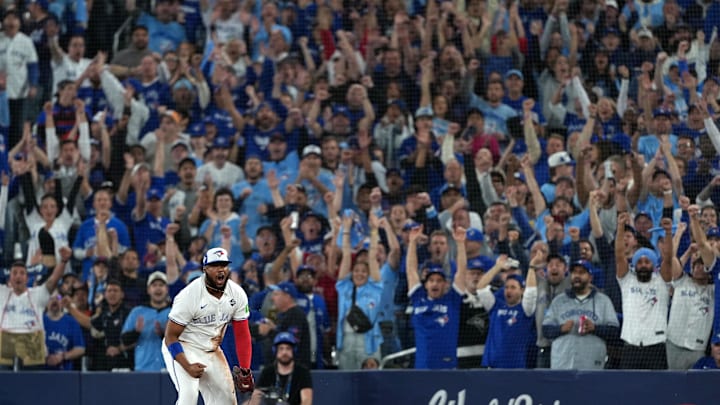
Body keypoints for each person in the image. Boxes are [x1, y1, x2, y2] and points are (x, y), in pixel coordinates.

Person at [162, 247, 254, 405]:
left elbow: (242, 334)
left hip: (211, 350)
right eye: (215, 265)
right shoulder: (189, 295)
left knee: (227, 401)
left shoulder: (237, 294)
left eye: (224, 265)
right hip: (184, 346)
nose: (220, 270)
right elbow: (171, 337)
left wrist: (245, 369)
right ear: (205, 269)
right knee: (188, 397)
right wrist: (187, 366)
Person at [614, 213, 672, 369]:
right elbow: (619, 255)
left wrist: (667, 233)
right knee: (627, 391)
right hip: (630, 346)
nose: (643, 264)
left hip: (656, 346)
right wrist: (620, 227)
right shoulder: (626, 280)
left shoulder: (661, 281)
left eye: (647, 261)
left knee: (656, 391)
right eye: (639, 261)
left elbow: (668, 258)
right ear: (634, 264)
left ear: (653, 265)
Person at [407, 225, 468, 369]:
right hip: (422, 366)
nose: (435, 284)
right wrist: (412, 242)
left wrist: (460, 243)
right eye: (431, 280)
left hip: (447, 366)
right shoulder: (418, 297)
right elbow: (411, 270)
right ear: (426, 284)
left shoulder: (452, 300)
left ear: (445, 284)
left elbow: (462, 271)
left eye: (439, 281)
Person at [542, 260, 620, 369]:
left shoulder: (603, 301)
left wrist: (595, 328)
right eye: (574, 273)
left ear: (590, 277)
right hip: (562, 364)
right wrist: (561, 329)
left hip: (591, 365)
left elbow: (614, 332)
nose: (577, 276)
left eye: (582, 272)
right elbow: (545, 330)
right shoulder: (558, 300)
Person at [0, 249, 68, 369]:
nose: (18, 276)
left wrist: (63, 261)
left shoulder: (37, 294)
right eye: (14, 273)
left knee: (32, 386)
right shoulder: (2, 293)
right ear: (9, 278)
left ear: (27, 278)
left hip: (33, 352)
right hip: (5, 353)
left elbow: (53, 281)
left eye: (22, 273)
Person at [474, 255, 538, 368]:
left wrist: (532, 267)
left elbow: (531, 291)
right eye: (506, 287)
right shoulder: (495, 306)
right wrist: (497, 267)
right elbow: (481, 288)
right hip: (492, 366)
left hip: (515, 367)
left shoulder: (526, 310)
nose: (508, 290)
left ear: (522, 290)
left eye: (513, 287)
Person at [120, 271, 171, 371]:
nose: (158, 288)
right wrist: (136, 332)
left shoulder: (175, 312)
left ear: (167, 289)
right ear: (148, 290)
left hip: (169, 369)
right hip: (143, 369)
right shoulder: (137, 312)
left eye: (161, 285)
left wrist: (163, 335)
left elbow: (184, 342)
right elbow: (124, 341)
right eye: (154, 285)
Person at [250, 332, 313, 405]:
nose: (284, 352)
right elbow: (255, 398)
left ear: (293, 351)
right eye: (281, 348)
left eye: (288, 348)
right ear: (275, 351)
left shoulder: (302, 372)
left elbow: (306, 401)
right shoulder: (268, 372)